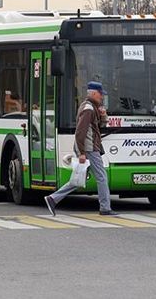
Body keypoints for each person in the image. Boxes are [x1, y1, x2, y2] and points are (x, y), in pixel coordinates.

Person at [45, 81, 117, 217]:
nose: (102, 97)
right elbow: (80, 132)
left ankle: (53, 199)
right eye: (101, 95)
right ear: (94, 93)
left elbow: (99, 127)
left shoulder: (92, 108)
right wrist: (82, 153)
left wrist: (103, 116)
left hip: (90, 147)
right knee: (102, 177)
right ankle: (105, 208)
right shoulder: (88, 109)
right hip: (89, 148)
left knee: (78, 179)